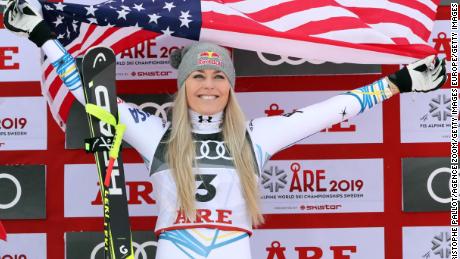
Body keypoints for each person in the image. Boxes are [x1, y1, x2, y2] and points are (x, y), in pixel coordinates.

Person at [3, 1, 447, 258]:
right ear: (183, 86)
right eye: (198, 76)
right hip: (175, 248)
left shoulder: (256, 136)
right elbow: (88, 91)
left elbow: (330, 110)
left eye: (218, 78)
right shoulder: (157, 135)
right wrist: (41, 32)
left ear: (230, 88)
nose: (209, 85)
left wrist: (399, 82)